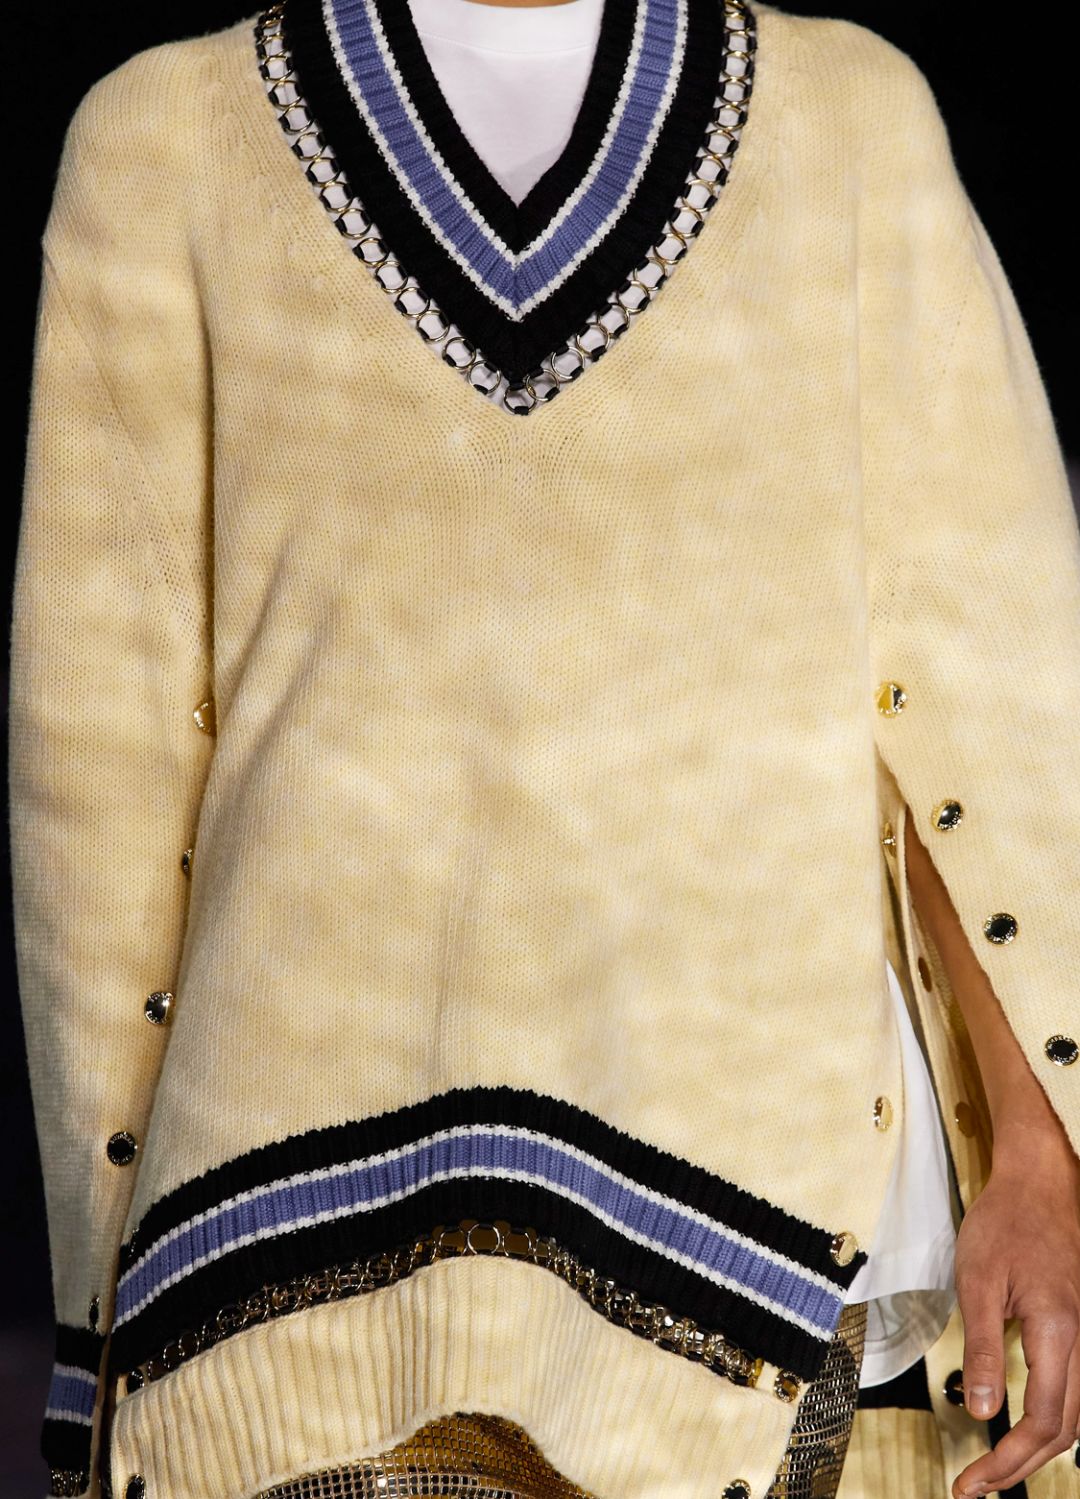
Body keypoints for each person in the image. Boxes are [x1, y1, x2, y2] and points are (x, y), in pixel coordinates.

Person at [11, 0, 1079, 1496]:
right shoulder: (165, 144)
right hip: (297, 1248)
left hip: (764, 1234)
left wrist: (1041, 1148)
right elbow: (97, 780)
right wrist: (98, 1312)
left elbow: (981, 688)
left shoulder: (845, 122)